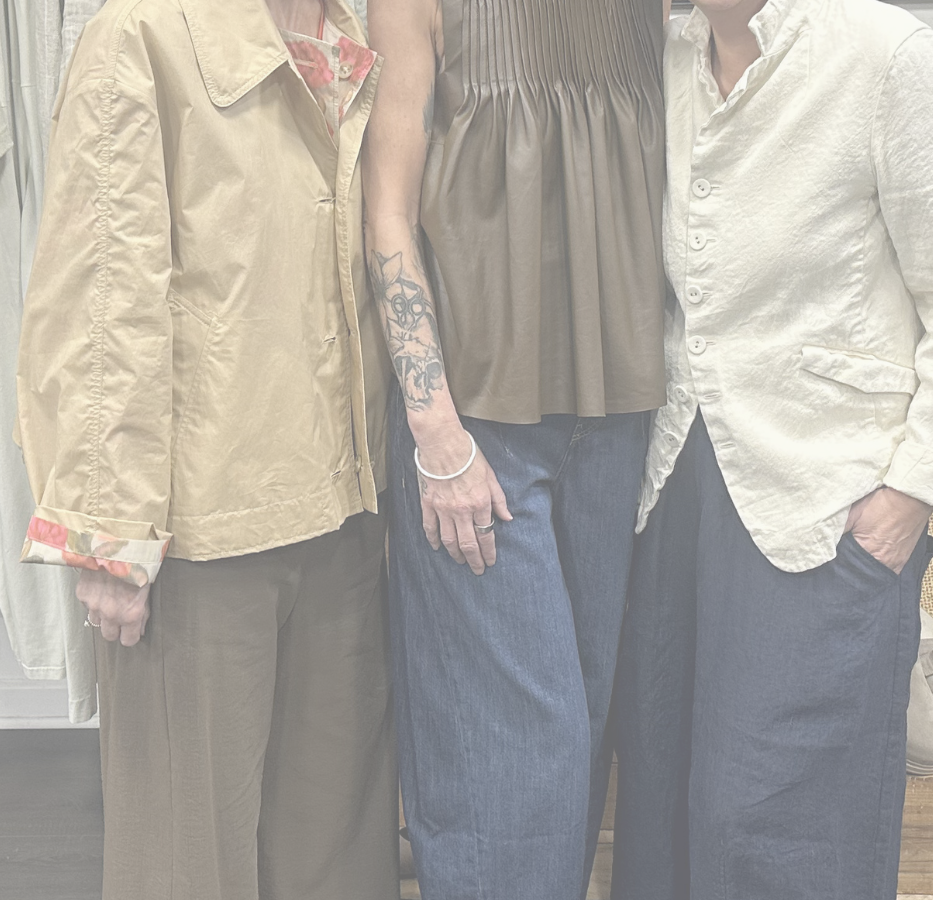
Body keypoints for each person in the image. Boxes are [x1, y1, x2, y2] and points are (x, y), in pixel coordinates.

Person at [608, 0, 933, 897]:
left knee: (778, 813)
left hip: (827, 493)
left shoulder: (888, 56)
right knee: (664, 790)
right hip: (677, 484)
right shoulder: (670, 55)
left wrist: (909, 496)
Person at [15, 0, 396, 896]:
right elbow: (102, 297)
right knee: (186, 858)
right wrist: (110, 535)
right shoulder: (141, 36)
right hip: (198, 537)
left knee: (337, 848)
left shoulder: (347, 34)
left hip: (341, 512)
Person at [362, 0, 671, 896]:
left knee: (582, 740)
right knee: (517, 759)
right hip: (476, 433)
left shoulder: (652, 15)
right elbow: (388, 218)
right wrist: (434, 430)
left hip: (617, 425)